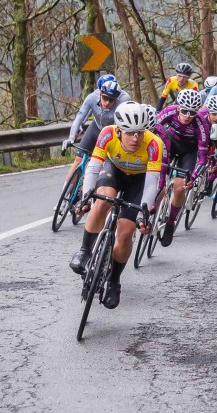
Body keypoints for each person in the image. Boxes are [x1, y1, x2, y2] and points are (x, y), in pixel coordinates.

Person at [68, 102, 162, 309]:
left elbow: (151, 183)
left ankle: (113, 281)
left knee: (126, 231)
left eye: (139, 133)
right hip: (114, 171)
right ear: (119, 130)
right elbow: (93, 167)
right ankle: (85, 251)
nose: (135, 138)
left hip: (139, 181)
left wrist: (143, 215)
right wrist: (85, 198)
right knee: (103, 199)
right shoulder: (107, 133)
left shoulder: (154, 144)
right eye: (129, 133)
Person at [153, 89, 209, 246]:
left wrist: (193, 177)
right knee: (156, 177)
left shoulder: (201, 124)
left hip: (188, 152)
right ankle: (151, 209)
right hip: (169, 143)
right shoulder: (169, 111)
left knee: (179, 187)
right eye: (184, 111)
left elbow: (203, 158)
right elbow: (153, 129)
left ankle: (170, 222)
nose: (188, 116)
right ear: (178, 107)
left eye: (192, 112)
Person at [62, 76, 131, 185]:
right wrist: (71, 138)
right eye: (104, 98)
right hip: (96, 128)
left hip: (111, 132)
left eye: (111, 100)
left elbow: (122, 126)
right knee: (78, 160)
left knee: (103, 164)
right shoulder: (92, 97)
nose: (107, 103)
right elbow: (79, 117)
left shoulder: (124, 100)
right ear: (100, 93)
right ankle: (64, 192)